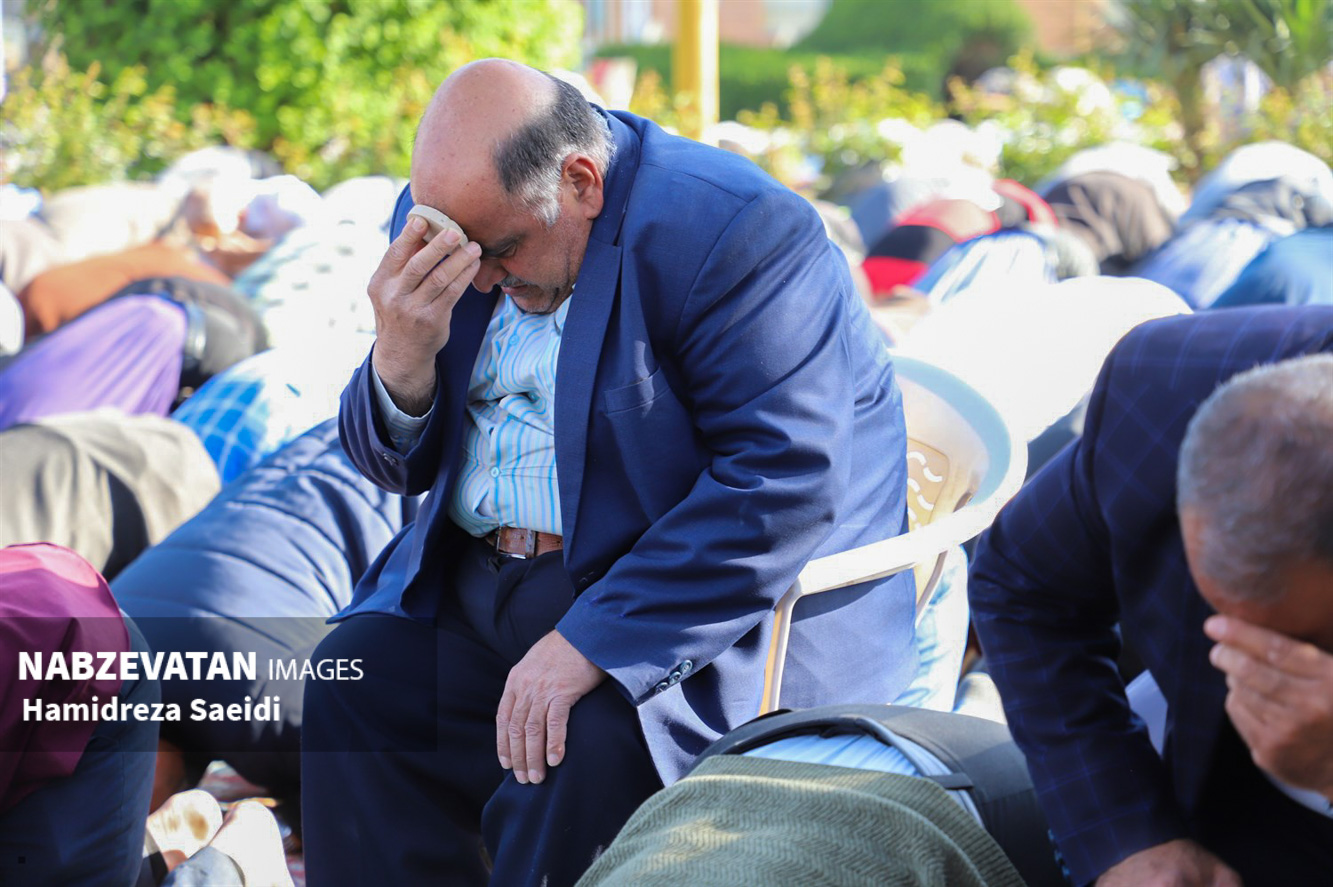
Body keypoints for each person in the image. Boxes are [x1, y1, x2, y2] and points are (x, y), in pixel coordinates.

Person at [303, 58, 916, 887]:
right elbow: (388, 465)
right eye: (462, 250)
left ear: (582, 182)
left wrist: (595, 639)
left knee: (570, 745)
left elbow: (781, 482)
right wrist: (400, 358)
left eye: (501, 250)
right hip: (480, 579)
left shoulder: (738, 231)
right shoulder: (454, 225)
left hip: (686, 607)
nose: (479, 279)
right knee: (354, 686)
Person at [969, 306, 1333, 887]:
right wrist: (1124, 832)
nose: (1255, 665)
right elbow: (1023, 587)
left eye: (1310, 641)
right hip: (1196, 780)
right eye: (1221, 612)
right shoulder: (1168, 386)